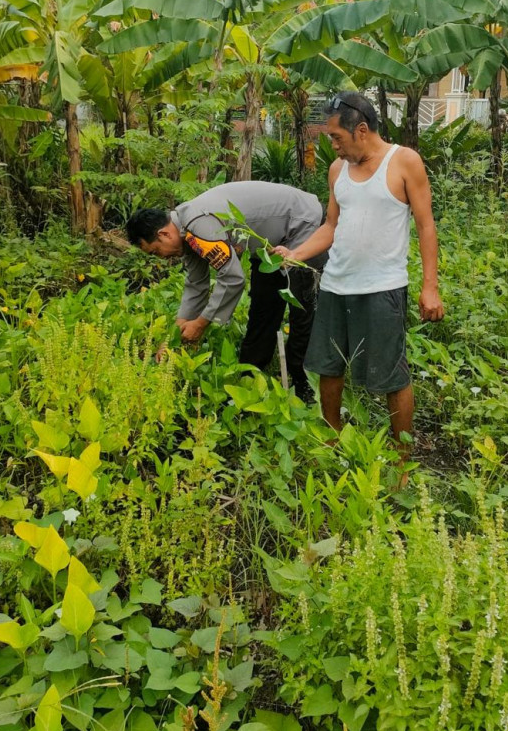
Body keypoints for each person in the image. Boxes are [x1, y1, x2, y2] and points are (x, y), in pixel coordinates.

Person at [273, 92, 444, 457]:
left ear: (362, 130)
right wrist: (296, 254)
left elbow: (426, 226)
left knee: (392, 374)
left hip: (383, 288)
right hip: (336, 284)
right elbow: (331, 225)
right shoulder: (338, 170)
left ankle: (402, 459)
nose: (333, 145)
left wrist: (430, 286)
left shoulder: (404, 162)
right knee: (329, 366)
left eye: (337, 137)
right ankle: (333, 439)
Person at [125, 182, 326, 401]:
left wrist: (200, 324)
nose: (161, 257)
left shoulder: (197, 225)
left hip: (301, 223)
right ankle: (250, 379)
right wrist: (174, 336)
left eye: (156, 252)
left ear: (164, 234)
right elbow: (196, 284)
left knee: (302, 306)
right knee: (263, 304)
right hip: (270, 243)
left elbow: (232, 278)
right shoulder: (185, 232)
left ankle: (304, 385)